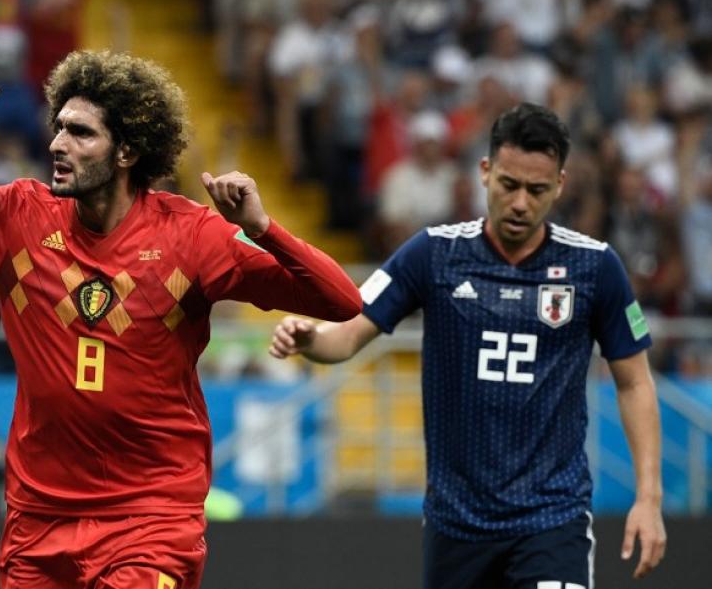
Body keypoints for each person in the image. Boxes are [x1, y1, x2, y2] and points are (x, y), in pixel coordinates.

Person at [0, 50, 362, 589]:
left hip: (151, 521)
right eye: (59, 128)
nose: (57, 144)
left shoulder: (193, 236)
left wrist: (262, 228)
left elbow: (340, 300)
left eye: (81, 133)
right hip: (38, 523)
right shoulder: (14, 215)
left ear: (128, 151)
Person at [270, 103, 666, 588]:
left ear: (560, 185)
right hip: (456, 523)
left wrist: (648, 498)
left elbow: (634, 383)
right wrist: (311, 339)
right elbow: (350, 331)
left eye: (537, 190)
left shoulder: (596, 267)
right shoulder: (433, 253)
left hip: (551, 517)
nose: (520, 202)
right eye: (509, 185)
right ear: (485, 172)